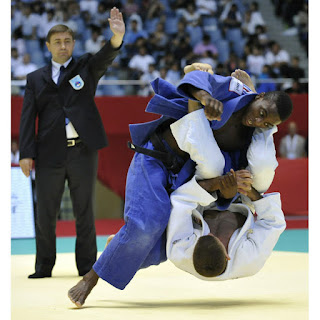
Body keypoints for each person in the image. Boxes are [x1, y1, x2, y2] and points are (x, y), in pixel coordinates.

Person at [68, 65, 292, 307]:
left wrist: (229, 191)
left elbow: (215, 184)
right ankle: (90, 279)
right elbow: (198, 79)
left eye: (267, 123)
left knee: (160, 247)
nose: (257, 121)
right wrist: (205, 97)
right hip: (156, 160)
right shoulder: (233, 93)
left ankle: (120, 245)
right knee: (148, 225)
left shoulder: (253, 135)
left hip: (184, 174)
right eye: (260, 112)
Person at [19, 7, 125, 279]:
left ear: (73, 44)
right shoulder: (34, 79)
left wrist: (116, 37)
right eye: (57, 42)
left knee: (84, 211)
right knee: (45, 213)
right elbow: (27, 118)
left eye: (67, 41)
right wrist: (25, 154)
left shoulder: (85, 68)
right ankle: (43, 267)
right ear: (48, 46)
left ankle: (87, 267)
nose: (63, 46)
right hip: (47, 154)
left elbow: (105, 57)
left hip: (82, 151)